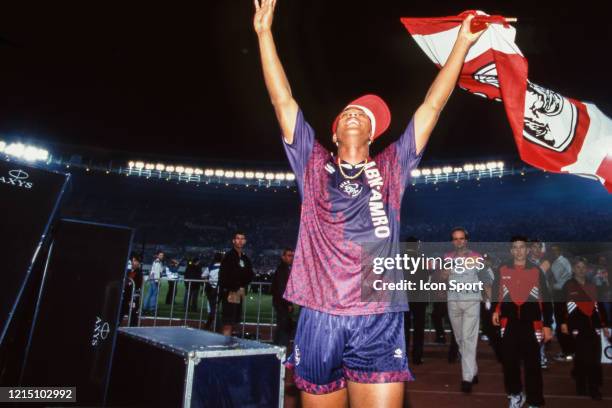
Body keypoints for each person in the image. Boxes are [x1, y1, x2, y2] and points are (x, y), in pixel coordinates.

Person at [254, 1, 486, 405]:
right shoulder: (312, 161)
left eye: (363, 114)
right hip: (319, 311)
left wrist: (462, 44)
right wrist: (263, 34)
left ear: (373, 133)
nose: (354, 115)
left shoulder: (392, 165)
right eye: (348, 112)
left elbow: (432, 105)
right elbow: (283, 100)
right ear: (336, 129)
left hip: (377, 313)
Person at [492, 236, 553, 408]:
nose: (518, 251)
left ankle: (534, 400)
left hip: (532, 323)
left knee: (532, 364)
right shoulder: (502, 269)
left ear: (527, 250)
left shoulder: (536, 271)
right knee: (509, 363)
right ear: (511, 250)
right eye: (515, 248)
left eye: (522, 247)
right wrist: (494, 312)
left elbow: (546, 299)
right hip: (508, 323)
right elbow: (496, 293)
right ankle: (515, 394)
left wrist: (547, 324)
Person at [443, 227, 488, 393]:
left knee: (468, 339)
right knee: (460, 339)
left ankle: (467, 378)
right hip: (453, 301)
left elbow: (485, 277)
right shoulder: (447, 257)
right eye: (455, 239)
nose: (459, 241)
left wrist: (490, 298)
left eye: (461, 238)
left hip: (471, 301)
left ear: (466, 240)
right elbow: (441, 277)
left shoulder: (476, 257)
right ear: (452, 241)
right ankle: (473, 370)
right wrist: (444, 272)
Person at [560, 257, 609, 400]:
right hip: (577, 328)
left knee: (594, 359)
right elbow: (562, 306)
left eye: (583, 267)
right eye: (578, 267)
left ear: (587, 269)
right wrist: (563, 322)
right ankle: (581, 383)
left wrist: (604, 325)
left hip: (593, 327)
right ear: (574, 269)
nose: (581, 270)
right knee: (583, 359)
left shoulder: (592, 286)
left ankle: (593, 388)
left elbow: (599, 307)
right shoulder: (568, 285)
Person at [218, 232, 254, 336]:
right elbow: (224, 275)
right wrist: (233, 287)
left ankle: (229, 345)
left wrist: (242, 285)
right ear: (233, 241)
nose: (240, 241)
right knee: (227, 323)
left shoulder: (245, 258)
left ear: (245, 241)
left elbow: (250, 274)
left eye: (242, 239)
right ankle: (224, 348)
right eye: (238, 238)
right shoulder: (229, 256)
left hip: (239, 292)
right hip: (230, 292)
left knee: (234, 322)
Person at [549, 244, 575, 361]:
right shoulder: (564, 261)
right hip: (563, 294)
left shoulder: (559, 263)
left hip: (561, 294)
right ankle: (570, 351)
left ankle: (567, 352)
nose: (554, 252)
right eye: (553, 250)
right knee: (563, 323)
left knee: (562, 324)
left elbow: (556, 280)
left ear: (560, 250)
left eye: (556, 250)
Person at [272, 248, 295, 351]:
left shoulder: (284, 268)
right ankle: (281, 350)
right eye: (289, 255)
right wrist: (288, 303)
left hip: (280, 302)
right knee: (284, 328)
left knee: (282, 327)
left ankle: (277, 348)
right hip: (282, 303)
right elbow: (283, 288)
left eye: (292, 255)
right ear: (283, 257)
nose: (291, 258)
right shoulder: (283, 269)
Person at [203, 252, 223, 331]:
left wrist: (209, 281)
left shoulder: (211, 267)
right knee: (215, 308)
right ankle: (210, 325)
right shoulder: (224, 267)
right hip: (221, 289)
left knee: (213, 309)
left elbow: (203, 275)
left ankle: (214, 326)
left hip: (211, 289)